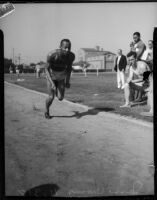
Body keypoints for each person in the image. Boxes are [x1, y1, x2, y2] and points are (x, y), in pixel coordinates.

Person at [45, 39, 75, 119]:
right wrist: (52, 83)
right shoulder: (52, 54)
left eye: (69, 48)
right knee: (51, 97)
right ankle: (47, 111)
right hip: (51, 76)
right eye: (65, 47)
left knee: (60, 98)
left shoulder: (71, 56)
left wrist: (67, 81)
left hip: (61, 77)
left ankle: (58, 88)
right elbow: (46, 70)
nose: (67, 50)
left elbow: (69, 69)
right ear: (60, 47)